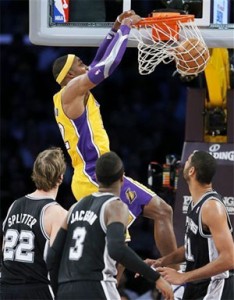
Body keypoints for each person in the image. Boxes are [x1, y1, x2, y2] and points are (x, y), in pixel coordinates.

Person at [52, 9, 178, 263]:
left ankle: (177, 276)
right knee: (117, 253)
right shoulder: (72, 90)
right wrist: (126, 30)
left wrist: (115, 28)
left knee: (163, 211)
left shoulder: (74, 89)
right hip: (92, 175)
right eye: (79, 64)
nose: (84, 65)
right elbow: (104, 68)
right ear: (69, 76)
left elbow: (98, 61)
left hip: (102, 172)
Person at [46, 151, 174, 300]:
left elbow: (52, 256)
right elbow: (117, 249)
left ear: (96, 178)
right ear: (122, 178)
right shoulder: (115, 206)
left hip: (66, 289)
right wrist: (156, 277)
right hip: (96, 287)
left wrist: (58, 289)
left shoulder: (74, 208)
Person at [146, 150, 234, 299]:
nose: (182, 164)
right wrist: (162, 261)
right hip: (197, 287)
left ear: (192, 171)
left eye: (187, 161)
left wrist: (183, 276)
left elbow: (229, 258)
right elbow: (192, 247)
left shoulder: (211, 206)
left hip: (215, 289)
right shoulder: (196, 202)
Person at [1, 147, 68, 300]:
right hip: (36, 290)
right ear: (61, 177)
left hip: (5, 289)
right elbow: (58, 262)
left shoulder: (14, 205)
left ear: (35, 173)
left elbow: (4, 249)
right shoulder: (58, 213)